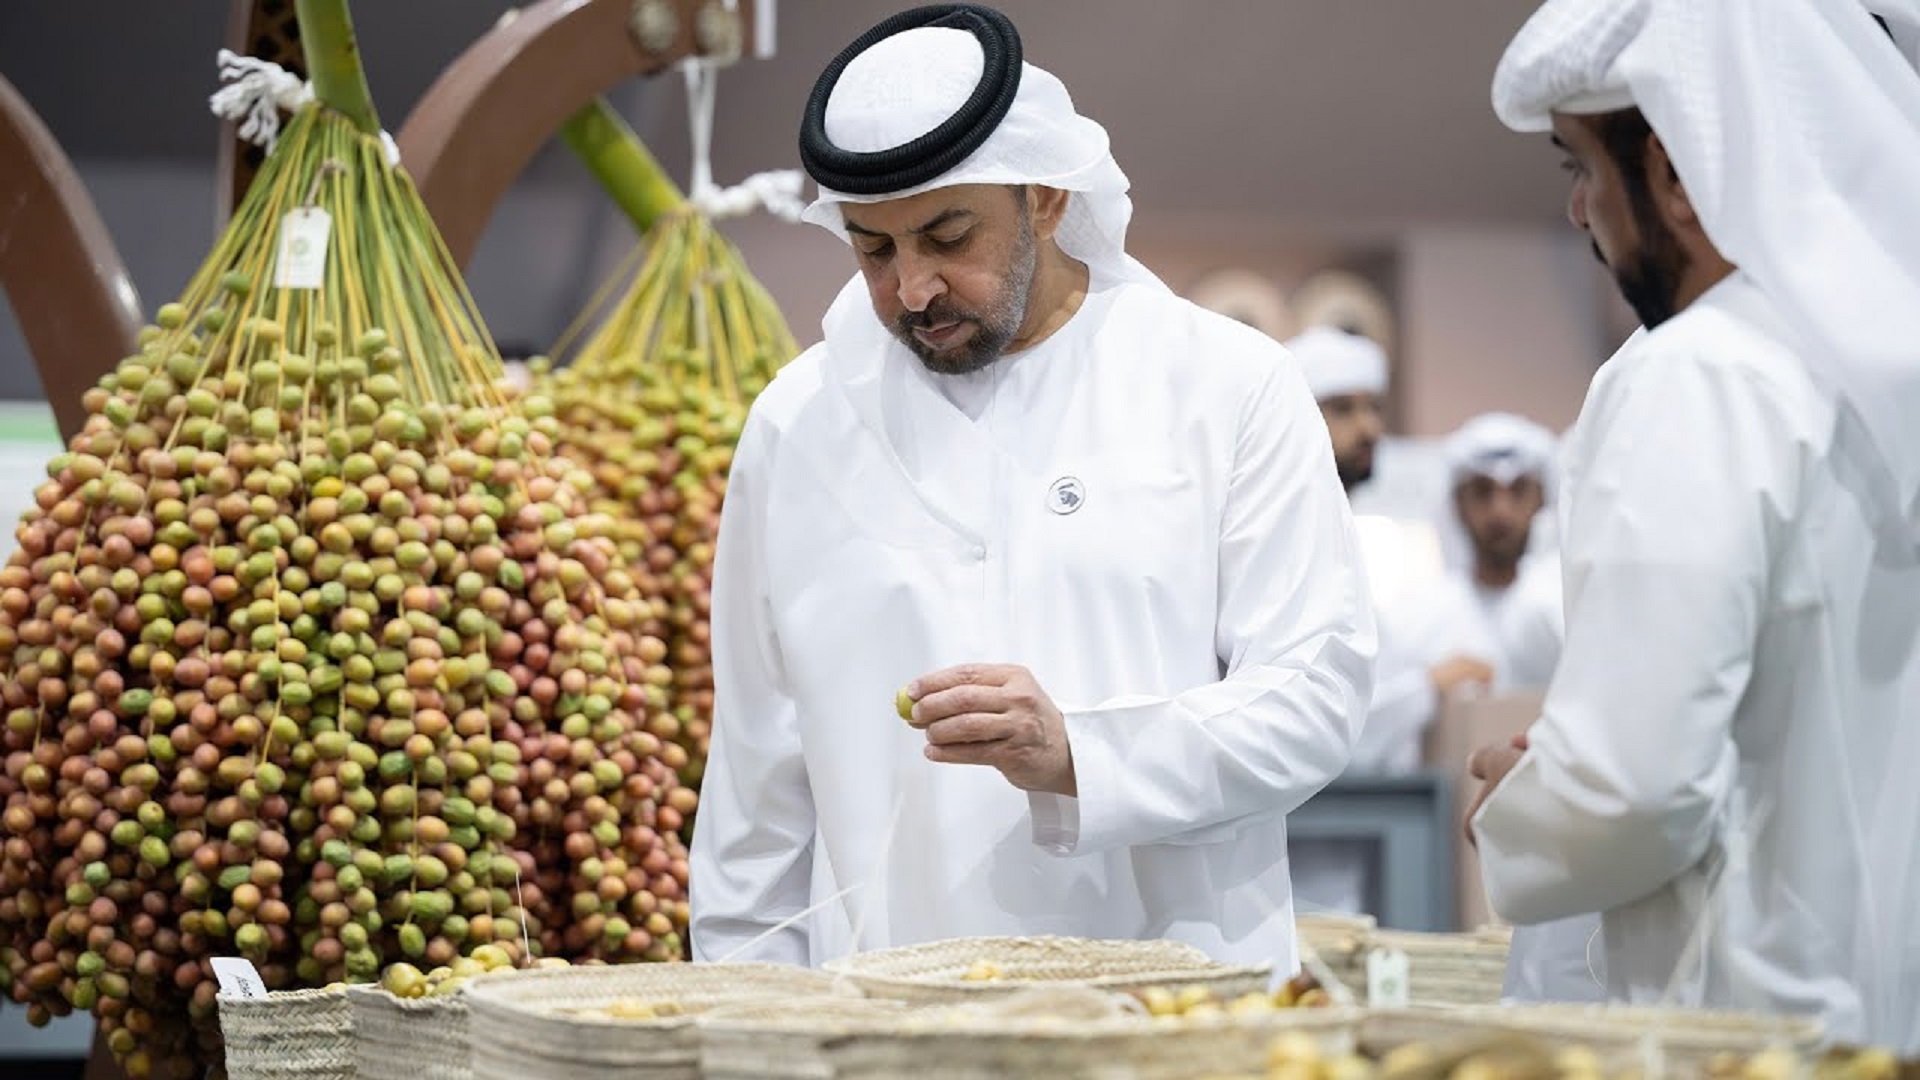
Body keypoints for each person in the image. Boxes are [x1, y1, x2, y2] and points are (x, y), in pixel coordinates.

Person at [688, 3, 1376, 971]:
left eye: (946, 234)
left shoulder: (1224, 387)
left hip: (1177, 1026)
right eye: (874, 249)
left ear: (1047, 195)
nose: (913, 289)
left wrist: (1081, 758)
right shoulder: (797, 427)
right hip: (881, 1039)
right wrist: (743, 1039)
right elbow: (754, 807)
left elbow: (1316, 697)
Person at [1466, 0, 1920, 1050]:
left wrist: (1521, 796)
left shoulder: (1701, 373)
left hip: (1740, 1026)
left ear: (1674, 172)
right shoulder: (1874, 367)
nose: (1581, 211)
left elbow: (1631, 792)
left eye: (1578, 168)